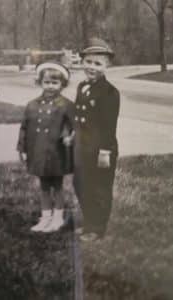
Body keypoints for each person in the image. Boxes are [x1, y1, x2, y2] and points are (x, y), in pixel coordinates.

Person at [17, 61, 74, 233]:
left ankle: (57, 218)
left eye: (55, 83)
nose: (50, 86)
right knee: (43, 185)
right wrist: (23, 149)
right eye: (47, 82)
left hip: (57, 153)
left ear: (62, 84)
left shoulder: (66, 104)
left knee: (56, 186)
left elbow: (77, 126)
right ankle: (45, 217)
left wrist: (70, 137)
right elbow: (24, 128)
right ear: (40, 82)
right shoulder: (32, 105)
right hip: (38, 152)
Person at [73, 38, 120, 241]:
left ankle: (97, 228)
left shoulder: (110, 92)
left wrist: (105, 152)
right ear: (82, 61)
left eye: (98, 63)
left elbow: (109, 127)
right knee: (81, 183)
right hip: (83, 147)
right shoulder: (82, 86)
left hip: (101, 149)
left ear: (107, 66)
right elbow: (79, 117)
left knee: (100, 187)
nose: (92, 67)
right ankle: (89, 221)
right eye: (89, 62)